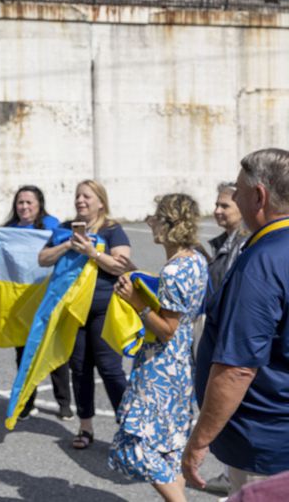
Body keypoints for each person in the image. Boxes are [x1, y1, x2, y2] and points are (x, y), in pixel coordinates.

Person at [182, 148, 289, 498]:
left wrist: (199, 441)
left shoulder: (261, 262)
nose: (235, 199)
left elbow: (237, 368)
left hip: (263, 441)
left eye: (239, 191)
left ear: (259, 195)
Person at [108, 194, 208, 502]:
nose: (151, 222)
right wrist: (139, 275)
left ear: (168, 225)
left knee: (135, 446)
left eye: (156, 217)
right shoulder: (195, 259)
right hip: (179, 366)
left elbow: (168, 329)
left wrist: (136, 303)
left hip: (160, 369)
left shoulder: (174, 270)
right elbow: (175, 306)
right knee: (167, 449)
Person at [38, 179, 132, 450]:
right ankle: (85, 426)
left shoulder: (112, 230)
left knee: (111, 369)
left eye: (87, 197)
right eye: (78, 196)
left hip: (104, 308)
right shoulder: (65, 229)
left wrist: (92, 253)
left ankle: (128, 429)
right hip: (73, 311)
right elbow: (42, 258)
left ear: (101, 201)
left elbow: (120, 265)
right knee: (79, 370)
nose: (80, 201)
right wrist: (67, 245)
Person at [3, 185, 72, 420]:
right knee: (23, 354)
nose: (24, 207)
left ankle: (64, 403)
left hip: (47, 297)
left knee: (53, 352)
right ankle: (26, 401)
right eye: (20, 203)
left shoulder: (53, 226)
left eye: (29, 202)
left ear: (39, 204)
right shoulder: (9, 230)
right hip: (21, 303)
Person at [202, 181, 249, 495]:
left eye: (225, 206)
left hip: (239, 344)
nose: (217, 211)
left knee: (237, 409)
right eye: (217, 205)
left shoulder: (249, 246)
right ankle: (233, 475)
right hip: (224, 336)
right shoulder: (221, 243)